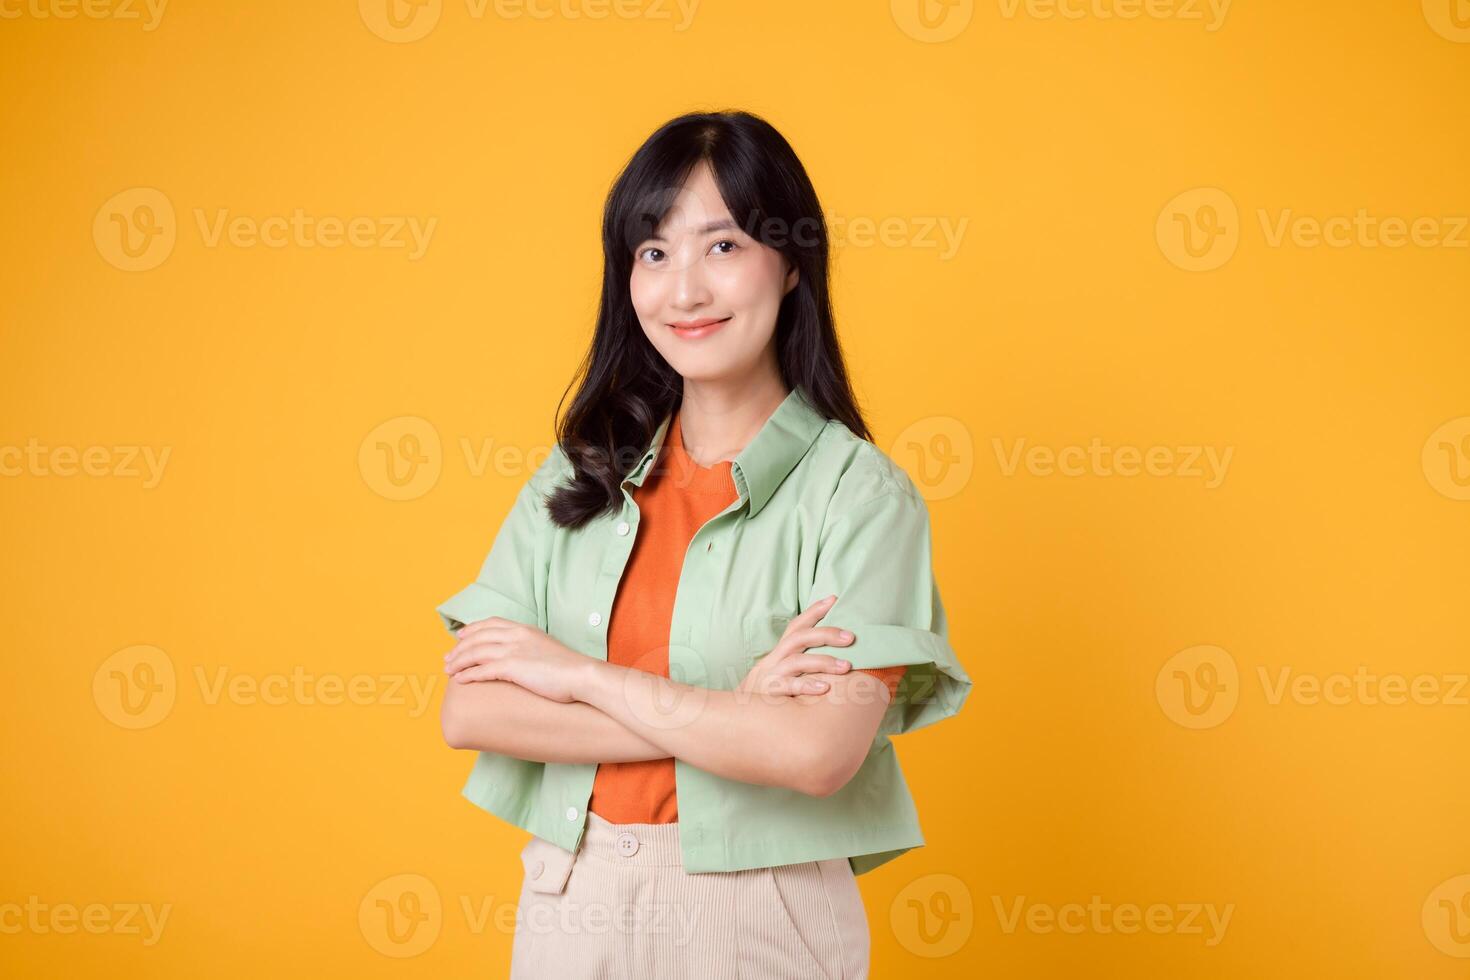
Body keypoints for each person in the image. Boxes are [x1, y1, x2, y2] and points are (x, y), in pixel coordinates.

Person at [437, 109, 971, 979]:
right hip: (575, 902)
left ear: (792, 263)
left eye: (721, 246)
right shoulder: (577, 473)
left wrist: (576, 680)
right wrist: (734, 710)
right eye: (653, 252)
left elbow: (814, 754)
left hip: (761, 912)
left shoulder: (861, 498)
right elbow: (475, 713)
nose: (683, 291)